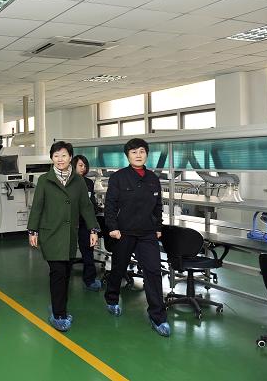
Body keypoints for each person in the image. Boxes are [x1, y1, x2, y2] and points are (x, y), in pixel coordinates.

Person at [27, 141, 100, 332]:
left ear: (70, 158)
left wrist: (93, 229)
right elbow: (37, 206)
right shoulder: (44, 180)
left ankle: (57, 305)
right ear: (52, 158)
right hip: (51, 234)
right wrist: (33, 231)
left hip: (70, 235)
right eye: (56, 155)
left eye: (64, 155)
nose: (60, 159)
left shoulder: (78, 181)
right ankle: (59, 315)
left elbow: (86, 207)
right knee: (58, 273)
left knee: (65, 273)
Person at [103, 138, 170, 337]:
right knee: (118, 268)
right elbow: (110, 205)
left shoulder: (153, 178)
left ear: (147, 154)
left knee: (153, 271)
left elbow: (158, 206)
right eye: (134, 152)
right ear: (127, 156)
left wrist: (158, 227)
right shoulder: (118, 178)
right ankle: (112, 299)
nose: (138, 155)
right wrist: (113, 227)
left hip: (147, 233)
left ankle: (158, 317)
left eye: (142, 151)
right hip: (124, 232)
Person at [71, 154, 102, 292]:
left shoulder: (89, 182)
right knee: (67, 251)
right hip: (70, 222)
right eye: (80, 165)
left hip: (85, 222)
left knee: (88, 251)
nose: (83, 168)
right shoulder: (67, 182)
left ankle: (90, 280)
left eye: (85, 165)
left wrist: (94, 209)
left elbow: (92, 201)